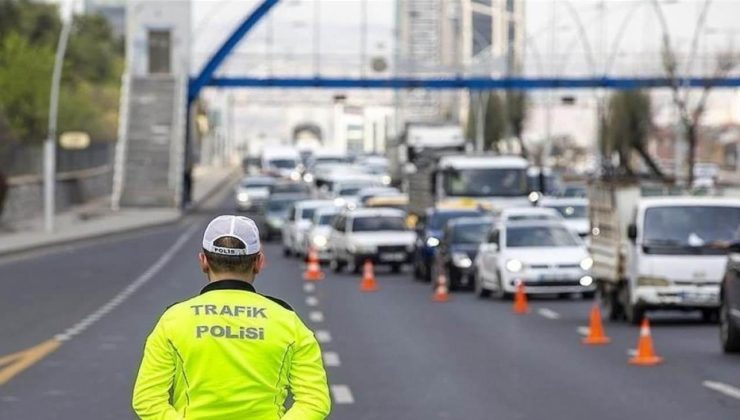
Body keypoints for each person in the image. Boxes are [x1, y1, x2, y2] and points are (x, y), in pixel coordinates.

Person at [132, 215, 331, 419]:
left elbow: (147, 399)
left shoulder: (173, 320)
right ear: (258, 262)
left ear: (203, 261)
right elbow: (314, 401)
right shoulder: (288, 321)